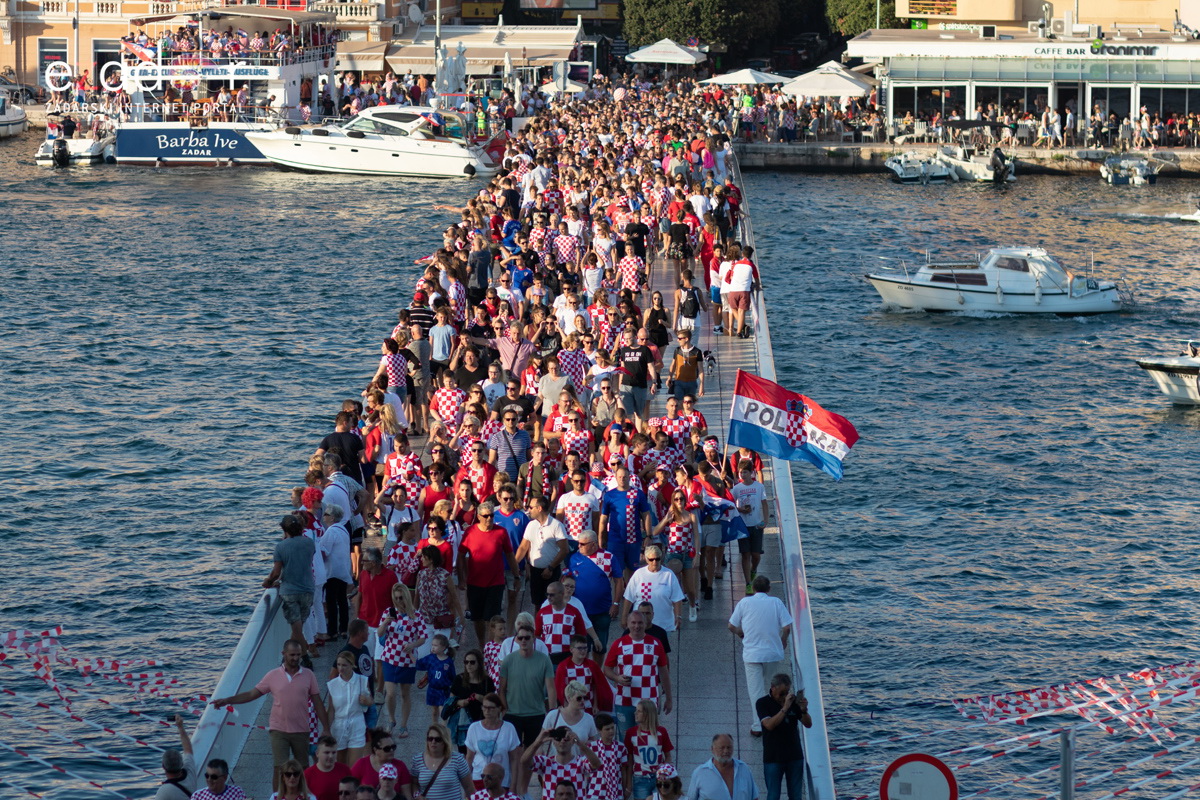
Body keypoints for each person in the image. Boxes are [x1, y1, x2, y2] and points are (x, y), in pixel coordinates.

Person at [210, 640, 329, 791]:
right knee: (279, 767)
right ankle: (276, 796)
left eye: (298, 655)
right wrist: (228, 700)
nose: (295, 658)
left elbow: (318, 701)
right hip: (279, 730)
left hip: (301, 730)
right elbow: (252, 694)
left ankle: (303, 796)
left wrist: (326, 728)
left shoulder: (308, 675)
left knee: (303, 766)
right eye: (292, 655)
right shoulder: (272, 676)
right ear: (283, 654)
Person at [728, 576, 792, 735]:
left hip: (752, 655)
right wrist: (783, 640)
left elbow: (731, 625)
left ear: (754, 589)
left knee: (755, 691)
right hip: (772, 653)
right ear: (769, 589)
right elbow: (787, 628)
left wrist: (740, 634)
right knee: (773, 688)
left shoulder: (744, 602)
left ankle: (758, 725)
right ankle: (776, 718)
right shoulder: (776, 602)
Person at [602, 611, 671, 736]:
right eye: (633, 623)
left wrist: (669, 699)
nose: (636, 626)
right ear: (627, 624)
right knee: (626, 738)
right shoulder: (619, 644)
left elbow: (664, 672)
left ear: (645, 624)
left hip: (648, 700)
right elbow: (607, 669)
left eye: (640, 623)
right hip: (624, 700)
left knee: (649, 737)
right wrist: (617, 678)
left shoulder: (656, 643)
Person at [460, 500, 520, 644]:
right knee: (477, 618)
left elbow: (510, 555)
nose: (489, 519)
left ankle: (491, 646)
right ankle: (482, 644)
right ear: (479, 516)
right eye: (486, 516)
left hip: (495, 582)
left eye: (491, 516)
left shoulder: (501, 532)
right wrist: (462, 578)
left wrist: (516, 576)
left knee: (492, 618)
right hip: (475, 582)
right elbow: (461, 555)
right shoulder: (470, 532)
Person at [263, 515, 317, 656]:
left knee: (296, 627)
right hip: (308, 588)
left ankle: (304, 656)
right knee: (299, 626)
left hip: (290, 591)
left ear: (284, 530)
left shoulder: (281, 547)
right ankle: (288, 653)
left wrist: (268, 582)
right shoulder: (309, 543)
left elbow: (276, 572)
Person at [498, 623, 556, 749]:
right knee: (514, 754)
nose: (523, 640)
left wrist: (552, 713)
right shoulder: (508, 660)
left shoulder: (544, 660)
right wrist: (504, 709)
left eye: (527, 638)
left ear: (533, 639)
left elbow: (551, 689)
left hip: (536, 714)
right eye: (520, 638)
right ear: (516, 640)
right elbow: (501, 689)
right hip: (513, 714)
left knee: (533, 754)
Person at [756, 674, 812, 800]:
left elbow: (808, 724)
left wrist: (803, 710)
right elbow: (769, 725)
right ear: (772, 688)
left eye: (786, 693)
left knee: (796, 796)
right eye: (781, 693)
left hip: (794, 757)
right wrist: (785, 708)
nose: (784, 697)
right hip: (773, 758)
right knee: (773, 796)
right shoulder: (762, 703)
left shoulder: (793, 702)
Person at [561, 530, 620, 652]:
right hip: (580, 611)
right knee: (582, 648)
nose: (578, 546)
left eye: (582, 544)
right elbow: (567, 579)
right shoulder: (574, 558)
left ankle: (597, 671)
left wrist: (616, 604)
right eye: (578, 543)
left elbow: (619, 581)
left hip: (602, 610)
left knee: (601, 647)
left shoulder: (609, 557)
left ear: (593, 544)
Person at [514, 495, 570, 608]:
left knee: (552, 604)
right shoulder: (531, 525)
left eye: (531, 507)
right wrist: (514, 566)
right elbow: (523, 547)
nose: (529, 510)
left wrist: (550, 568)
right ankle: (538, 625)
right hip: (535, 571)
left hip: (551, 571)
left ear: (539, 508)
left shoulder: (556, 525)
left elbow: (564, 550)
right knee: (537, 604)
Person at [521, 727, 602, 800]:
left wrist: (579, 743)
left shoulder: (580, 762)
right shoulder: (546, 762)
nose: (562, 741)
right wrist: (538, 742)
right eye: (558, 738)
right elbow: (524, 761)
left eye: (567, 738)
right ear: (553, 742)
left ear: (573, 741)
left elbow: (597, 764)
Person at [620, 545, 684, 634]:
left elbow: (677, 598)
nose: (654, 562)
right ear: (646, 559)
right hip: (641, 626)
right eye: (651, 559)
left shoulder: (669, 574)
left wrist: (678, 616)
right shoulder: (638, 574)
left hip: (664, 625)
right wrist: (624, 617)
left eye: (657, 559)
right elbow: (629, 597)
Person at [464, 693, 522, 790]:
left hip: (501, 780)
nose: (487, 711)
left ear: (499, 709)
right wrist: (468, 786)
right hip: (479, 779)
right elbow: (469, 758)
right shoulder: (474, 728)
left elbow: (514, 759)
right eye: (485, 707)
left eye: (491, 708)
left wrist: (513, 786)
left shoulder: (509, 728)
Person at [327, 652, 372, 764]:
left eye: (344, 665)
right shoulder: (332, 684)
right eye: (339, 665)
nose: (341, 668)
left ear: (352, 665)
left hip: (357, 722)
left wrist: (367, 701)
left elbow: (371, 700)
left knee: (355, 764)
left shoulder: (362, 680)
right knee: (341, 763)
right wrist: (326, 729)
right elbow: (331, 709)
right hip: (339, 724)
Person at [408, 723, 473, 800]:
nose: (433, 742)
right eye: (430, 739)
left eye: (438, 739)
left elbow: (469, 787)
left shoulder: (457, 759)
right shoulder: (417, 760)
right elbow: (413, 784)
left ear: (445, 741)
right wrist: (417, 795)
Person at [729, 466, 768, 594]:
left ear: (751, 473)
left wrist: (765, 521)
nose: (742, 474)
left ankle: (753, 569)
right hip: (743, 525)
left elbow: (764, 503)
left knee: (756, 555)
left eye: (745, 472)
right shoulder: (737, 488)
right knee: (745, 554)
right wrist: (741, 510)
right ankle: (748, 583)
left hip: (756, 524)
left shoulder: (759, 487)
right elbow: (731, 504)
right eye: (741, 472)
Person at [623, 700, 672, 800]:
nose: (635, 713)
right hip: (640, 778)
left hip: (659, 778)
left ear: (647, 713)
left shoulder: (661, 731)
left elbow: (668, 756)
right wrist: (629, 784)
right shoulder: (631, 733)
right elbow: (629, 759)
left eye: (639, 711)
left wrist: (664, 771)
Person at [684, 735, 758, 800]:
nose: (726, 751)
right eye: (721, 748)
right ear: (712, 749)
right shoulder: (700, 773)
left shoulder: (744, 769)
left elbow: (754, 797)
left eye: (729, 747)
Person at [553, 635, 613, 715]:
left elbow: (596, 686)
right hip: (571, 706)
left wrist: (595, 705)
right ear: (571, 650)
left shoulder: (592, 665)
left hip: (588, 705)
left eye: (585, 648)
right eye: (580, 648)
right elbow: (560, 689)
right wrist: (566, 706)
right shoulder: (563, 666)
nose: (583, 651)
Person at [536, 581, 588, 666]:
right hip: (548, 657)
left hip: (568, 657)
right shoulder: (542, 613)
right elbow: (537, 636)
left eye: (552, 595)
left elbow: (582, 636)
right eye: (547, 594)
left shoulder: (574, 612)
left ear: (562, 594)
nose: (549, 597)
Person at [156, 714, 197, 800]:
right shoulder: (190, 771)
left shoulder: (164, 790)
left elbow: (188, 750)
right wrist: (180, 727)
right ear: (182, 763)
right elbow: (188, 749)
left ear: (163, 766)